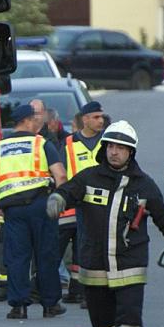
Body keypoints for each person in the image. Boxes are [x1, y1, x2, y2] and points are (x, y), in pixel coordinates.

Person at [46, 120, 164, 327]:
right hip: (94, 266)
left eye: (121, 147)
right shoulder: (88, 177)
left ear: (131, 152)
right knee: (103, 324)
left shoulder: (144, 185)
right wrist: (57, 200)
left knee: (129, 317)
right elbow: (68, 191)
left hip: (130, 264)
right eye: (110, 146)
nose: (114, 152)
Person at [0, 102, 68, 320]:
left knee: (17, 257)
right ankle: (50, 305)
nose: (38, 123)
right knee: (46, 255)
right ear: (27, 121)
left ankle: (18, 306)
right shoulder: (41, 145)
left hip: (13, 210)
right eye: (35, 120)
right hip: (42, 206)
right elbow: (60, 176)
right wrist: (59, 202)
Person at [57, 101, 110, 306]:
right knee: (79, 250)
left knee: (94, 251)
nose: (100, 120)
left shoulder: (107, 141)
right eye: (96, 117)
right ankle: (76, 291)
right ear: (85, 119)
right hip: (73, 205)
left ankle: (89, 293)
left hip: (100, 205)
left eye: (101, 117)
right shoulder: (68, 143)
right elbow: (60, 173)